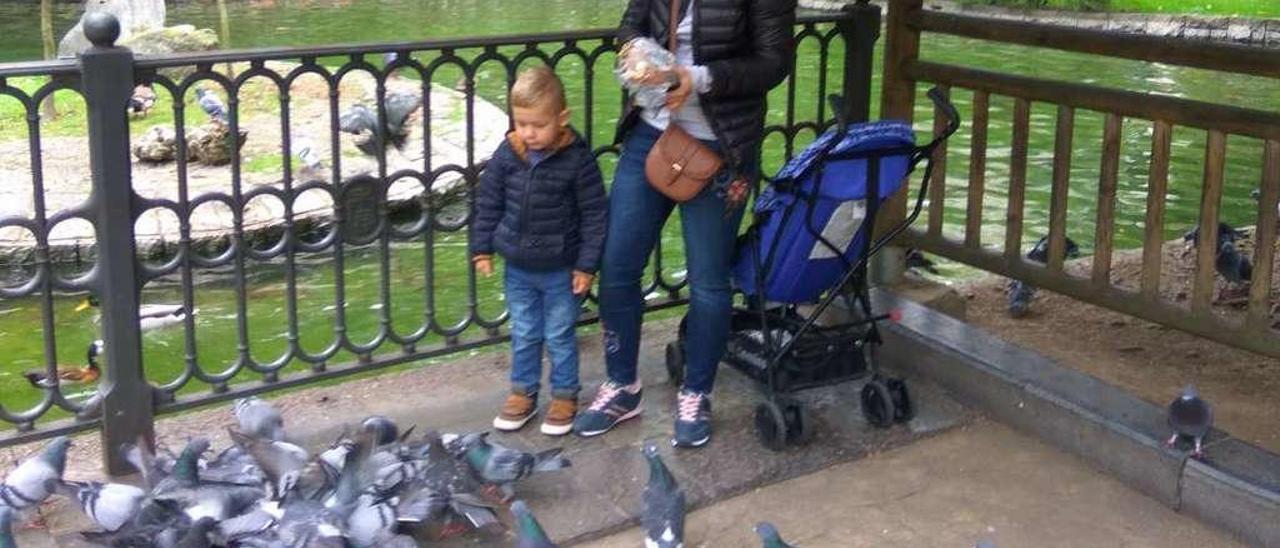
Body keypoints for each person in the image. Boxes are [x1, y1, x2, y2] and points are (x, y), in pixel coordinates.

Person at [573, 0, 796, 448]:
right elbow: (631, 25)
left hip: (722, 143)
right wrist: (636, 52)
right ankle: (622, 387)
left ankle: (697, 392)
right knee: (617, 265)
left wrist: (697, 79)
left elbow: (772, 64)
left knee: (709, 281)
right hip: (652, 132)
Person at [470, 66, 608, 436]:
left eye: (538, 125)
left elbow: (595, 215)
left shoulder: (578, 160)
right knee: (526, 331)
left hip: (561, 268)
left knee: (561, 333)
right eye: (521, 123)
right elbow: (489, 202)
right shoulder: (507, 154)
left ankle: (564, 394)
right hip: (518, 266)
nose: (529, 133)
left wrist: (586, 265)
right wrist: (481, 248)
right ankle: (523, 392)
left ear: (562, 119)